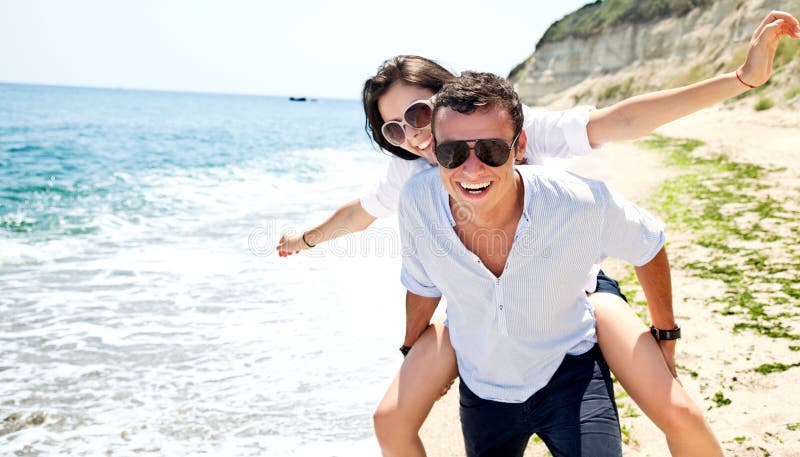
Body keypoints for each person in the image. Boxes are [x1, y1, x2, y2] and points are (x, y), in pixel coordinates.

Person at [276, 11, 799, 456]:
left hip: (575, 290)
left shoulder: (513, 132)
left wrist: (741, 80)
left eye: (417, 113)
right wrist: (306, 240)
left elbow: (622, 121)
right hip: (477, 309)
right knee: (390, 416)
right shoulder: (412, 175)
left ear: (448, 97)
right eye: (394, 129)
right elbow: (362, 218)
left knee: (676, 408)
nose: (414, 136)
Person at [398, 70, 690, 456]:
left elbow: (648, 243)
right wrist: (410, 356)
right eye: (453, 153)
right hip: (484, 387)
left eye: (491, 150)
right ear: (434, 150)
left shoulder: (577, 202)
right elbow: (421, 287)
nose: (471, 169)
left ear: (519, 146)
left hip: (571, 373)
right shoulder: (417, 203)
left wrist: (665, 335)